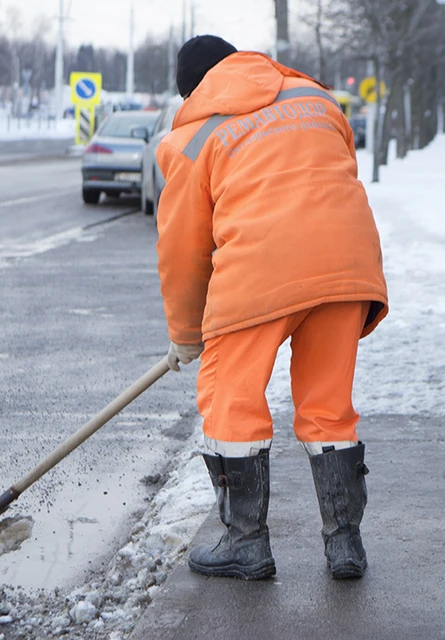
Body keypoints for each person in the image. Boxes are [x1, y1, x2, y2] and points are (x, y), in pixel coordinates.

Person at [156, 35, 389, 581]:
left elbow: (183, 247)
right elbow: (337, 177)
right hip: (345, 264)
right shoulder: (318, 100)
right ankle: (345, 545)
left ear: (194, 88)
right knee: (329, 407)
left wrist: (188, 331)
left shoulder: (196, 135)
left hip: (259, 270)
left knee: (230, 402)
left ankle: (245, 543)